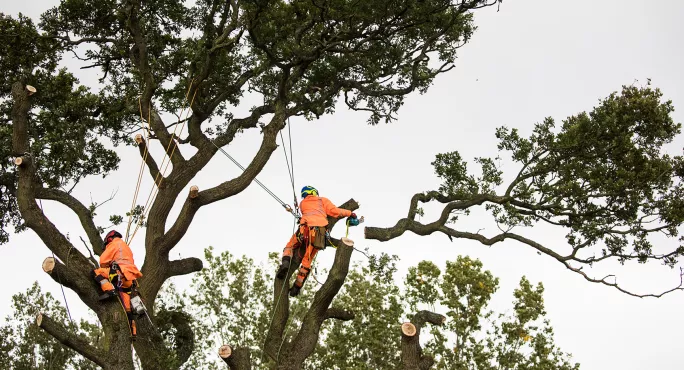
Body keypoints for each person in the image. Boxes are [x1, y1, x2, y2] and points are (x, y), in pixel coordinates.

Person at [277, 186, 357, 297]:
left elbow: (309, 214)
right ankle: (296, 287)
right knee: (307, 261)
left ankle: (285, 263)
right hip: (318, 235)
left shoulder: (302, 203)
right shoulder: (322, 200)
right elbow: (334, 211)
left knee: (289, 246)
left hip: (303, 231)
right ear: (314, 192)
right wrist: (350, 213)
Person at [91, 230, 143, 339]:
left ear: (109, 239)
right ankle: (133, 332)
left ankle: (109, 290)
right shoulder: (126, 247)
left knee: (97, 272)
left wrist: (109, 262)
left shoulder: (113, 244)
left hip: (119, 274)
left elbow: (103, 261)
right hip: (129, 280)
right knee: (127, 308)